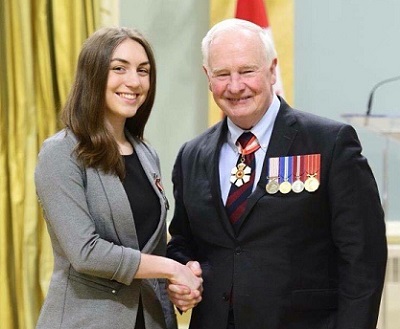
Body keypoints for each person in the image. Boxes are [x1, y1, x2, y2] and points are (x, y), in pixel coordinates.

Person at [166, 18, 387, 329]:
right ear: (207, 77)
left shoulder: (329, 143)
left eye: (246, 71)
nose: (235, 86)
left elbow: (363, 257)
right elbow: (182, 241)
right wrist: (182, 271)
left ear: (271, 70)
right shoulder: (191, 155)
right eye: (222, 74)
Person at [34, 26, 202, 329]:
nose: (134, 81)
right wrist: (170, 269)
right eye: (119, 68)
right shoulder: (60, 153)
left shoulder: (146, 153)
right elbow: (85, 252)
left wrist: (180, 284)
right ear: (93, 75)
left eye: (143, 70)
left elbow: (151, 243)